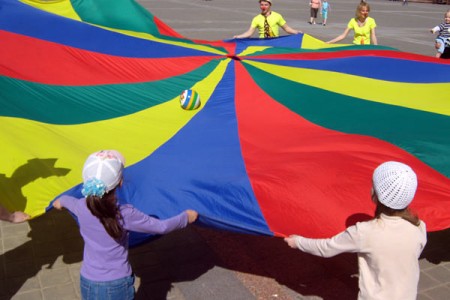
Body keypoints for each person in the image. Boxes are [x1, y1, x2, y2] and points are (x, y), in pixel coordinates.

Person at [53, 150, 198, 300]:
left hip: (88, 281)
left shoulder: (80, 205)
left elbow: (64, 200)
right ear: (120, 182)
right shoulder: (125, 213)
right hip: (116, 285)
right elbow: (161, 227)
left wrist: (59, 203)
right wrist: (186, 217)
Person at [284, 161, 427, 300]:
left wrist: (297, 242)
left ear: (375, 196)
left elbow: (327, 248)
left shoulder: (364, 232)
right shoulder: (419, 226)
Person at [234, 0, 302, 39]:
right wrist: (238, 36)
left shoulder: (277, 16)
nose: (263, 7)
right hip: (262, 44)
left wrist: (297, 32)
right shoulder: (256, 18)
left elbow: (287, 28)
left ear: (270, 5)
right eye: (261, 5)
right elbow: (249, 33)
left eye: (266, 5)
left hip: (275, 43)